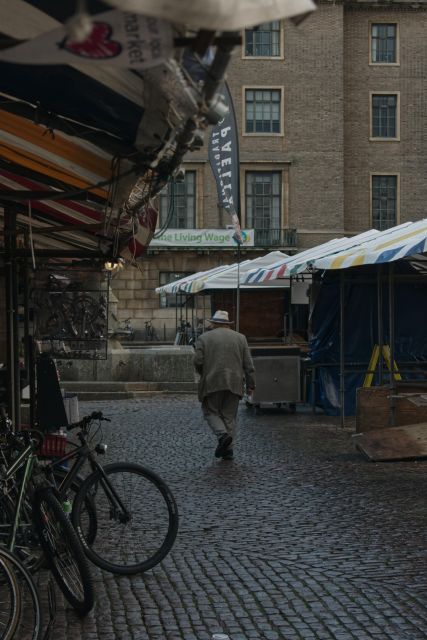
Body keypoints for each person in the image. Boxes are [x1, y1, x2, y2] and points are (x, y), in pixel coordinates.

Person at [193, 310, 255, 461]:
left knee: (210, 411)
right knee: (229, 416)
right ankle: (228, 451)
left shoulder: (203, 338)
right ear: (227, 324)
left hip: (212, 381)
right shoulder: (241, 338)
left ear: (214, 323)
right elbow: (249, 365)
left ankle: (222, 435)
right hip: (235, 382)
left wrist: (204, 373)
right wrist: (250, 384)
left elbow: (198, 361)